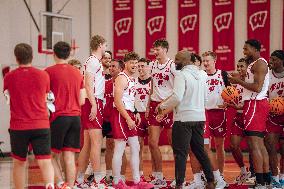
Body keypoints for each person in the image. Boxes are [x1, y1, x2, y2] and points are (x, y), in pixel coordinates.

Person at [156, 50, 215, 189]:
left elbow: (177, 97)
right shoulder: (203, 74)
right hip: (200, 118)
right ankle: (211, 181)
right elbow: (206, 98)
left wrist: (161, 106)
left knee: (180, 154)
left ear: (186, 60)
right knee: (200, 151)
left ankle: (179, 184)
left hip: (183, 119)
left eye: (177, 59)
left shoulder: (181, 75)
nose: (175, 62)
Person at [3, 43, 54, 189]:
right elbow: (46, 98)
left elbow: (8, 99)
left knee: (19, 163)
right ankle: (49, 185)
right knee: (45, 161)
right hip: (41, 124)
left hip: (19, 126)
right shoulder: (44, 75)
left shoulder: (9, 77)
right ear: (32, 56)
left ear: (16, 58)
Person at [228, 39, 270, 188]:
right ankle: (265, 180)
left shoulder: (260, 63)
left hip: (256, 104)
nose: (244, 52)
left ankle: (259, 181)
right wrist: (239, 78)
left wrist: (238, 81)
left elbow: (257, 88)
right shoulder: (253, 64)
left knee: (255, 145)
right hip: (252, 104)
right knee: (259, 144)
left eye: (246, 49)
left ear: (255, 49)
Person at [45, 42, 84, 189]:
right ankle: (71, 186)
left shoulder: (48, 72)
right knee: (69, 157)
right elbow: (81, 100)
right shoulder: (77, 73)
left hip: (58, 117)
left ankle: (61, 182)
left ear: (54, 54)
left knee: (49, 155)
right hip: (75, 118)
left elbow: (44, 97)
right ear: (69, 54)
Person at [112, 52, 153, 189]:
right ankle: (117, 181)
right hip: (120, 114)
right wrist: (128, 117)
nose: (135, 65)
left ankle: (137, 180)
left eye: (136, 63)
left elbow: (128, 99)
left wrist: (134, 112)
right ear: (126, 63)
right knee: (119, 148)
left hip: (128, 113)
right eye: (132, 63)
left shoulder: (130, 79)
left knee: (136, 146)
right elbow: (117, 101)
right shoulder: (122, 78)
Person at [74, 35, 107, 188]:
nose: (106, 47)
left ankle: (79, 180)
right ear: (100, 45)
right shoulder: (93, 61)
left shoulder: (93, 61)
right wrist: (94, 105)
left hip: (92, 101)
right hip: (92, 101)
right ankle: (99, 181)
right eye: (105, 44)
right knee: (96, 142)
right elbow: (87, 84)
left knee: (87, 144)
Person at [146, 39, 175, 187]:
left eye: (157, 49)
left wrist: (166, 105)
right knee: (152, 143)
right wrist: (148, 105)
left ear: (165, 49)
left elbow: (177, 89)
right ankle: (158, 175)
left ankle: (178, 175)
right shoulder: (152, 65)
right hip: (155, 105)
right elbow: (152, 87)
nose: (155, 52)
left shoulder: (172, 66)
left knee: (173, 143)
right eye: (154, 49)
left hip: (168, 105)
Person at [202, 51, 229, 175]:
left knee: (219, 145)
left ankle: (221, 174)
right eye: (204, 61)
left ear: (214, 61)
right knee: (204, 146)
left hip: (219, 113)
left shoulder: (223, 74)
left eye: (208, 60)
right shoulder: (201, 75)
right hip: (204, 113)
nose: (205, 63)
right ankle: (206, 174)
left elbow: (231, 93)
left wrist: (228, 103)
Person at [226, 58, 252, 184]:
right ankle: (243, 171)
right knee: (233, 145)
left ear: (248, 67)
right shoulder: (234, 83)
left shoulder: (252, 81)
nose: (240, 68)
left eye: (242, 66)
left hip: (251, 116)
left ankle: (256, 172)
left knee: (254, 146)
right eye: (238, 66)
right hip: (239, 116)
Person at [265, 50, 284, 188]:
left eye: (275, 59)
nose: (271, 61)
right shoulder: (267, 75)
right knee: (270, 145)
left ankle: (282, 177)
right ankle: (275, 177)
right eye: (271, 59)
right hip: (272, 114)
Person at [134, 58, 152, 181]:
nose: (140, 68)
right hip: (138, 116)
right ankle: (140, 175)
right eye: (138, 66)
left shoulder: (154, 82)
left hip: (150, 115)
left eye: (142, 66)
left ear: (148, 67)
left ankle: (156, 174)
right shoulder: (133, 81)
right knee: (138, 146)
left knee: (153, 145)